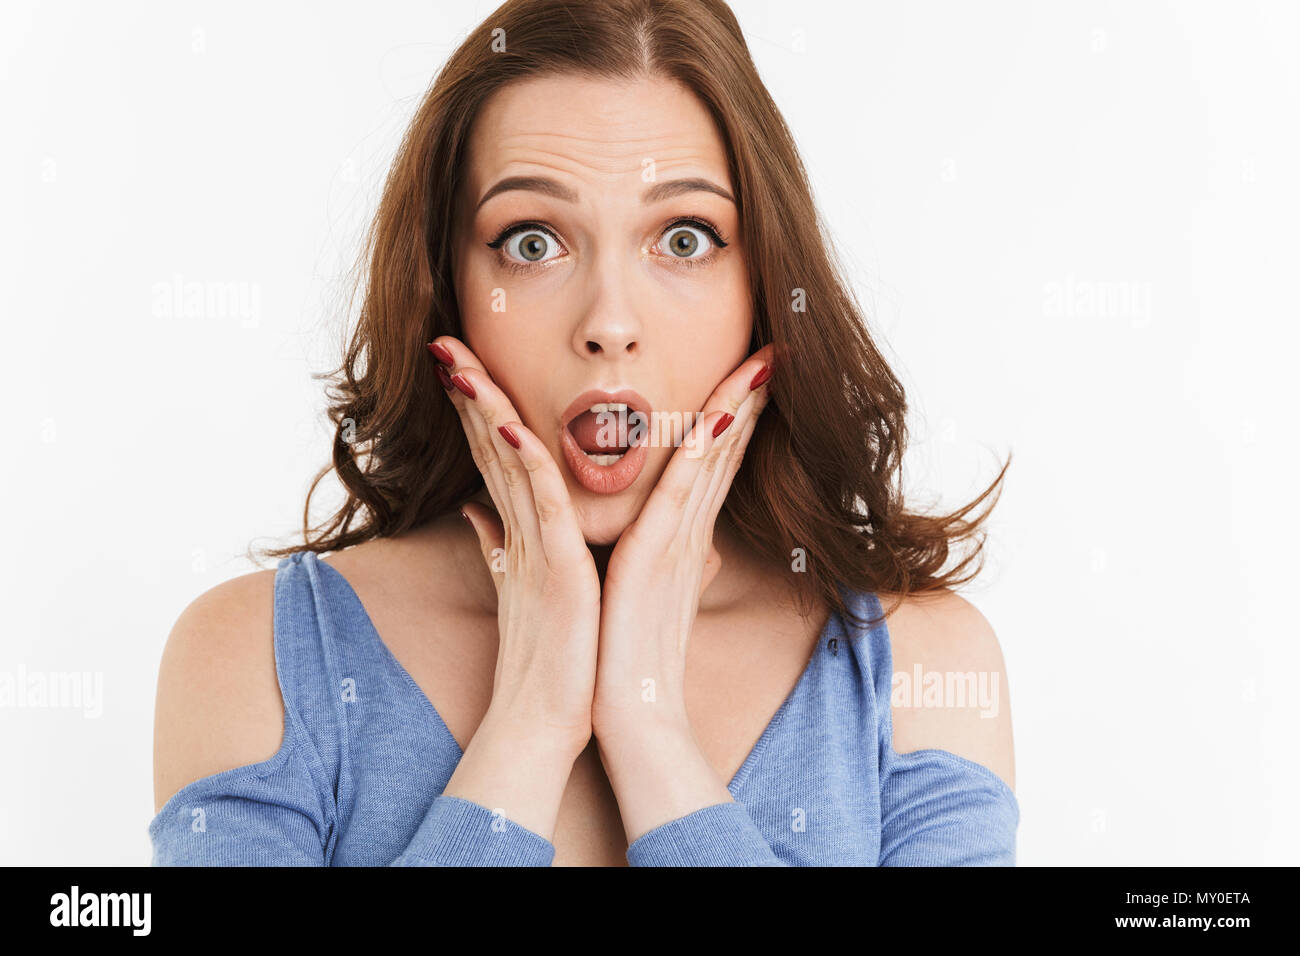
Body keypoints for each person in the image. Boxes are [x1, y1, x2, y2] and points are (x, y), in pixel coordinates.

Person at [151, 0, 1016, 866]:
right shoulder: (255, 659)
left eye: (685, 238)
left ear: (764, 284)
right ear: (445, 284)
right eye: (532, 244)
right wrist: (528, 721)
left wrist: (650, 732)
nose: (610, 322)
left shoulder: (920, 668)